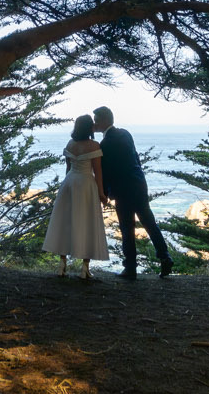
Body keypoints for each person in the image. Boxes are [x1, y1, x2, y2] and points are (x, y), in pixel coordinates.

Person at [94, 105, 175, 279]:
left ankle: (130, 268)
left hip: (122, 190)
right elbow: (135, 157)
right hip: (138, 184)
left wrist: (104, 194)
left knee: (127, 227)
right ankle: (165, 256)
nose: (95, 123)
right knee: (149, 223)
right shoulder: (126, 133)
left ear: (104, 121)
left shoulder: (105, 143)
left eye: (97, 120)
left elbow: (106, 171)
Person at [42, 114, 109, 279]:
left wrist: (67, 186)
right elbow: (98, 172)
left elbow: (68, 168)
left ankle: (61, 264)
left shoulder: (70, 144)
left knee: (66, 221)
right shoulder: (94, 145)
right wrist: (101, 193)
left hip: (69, 182)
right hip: (86, 184)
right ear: (89, 128)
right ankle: (85, 268)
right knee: (88, 221)